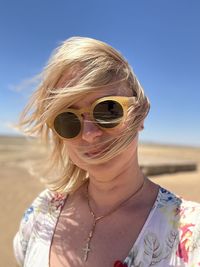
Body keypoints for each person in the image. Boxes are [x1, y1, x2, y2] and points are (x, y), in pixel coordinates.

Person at [13, 37, 200, 267]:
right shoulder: (42, 211)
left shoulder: (190, 235)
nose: (89, 133)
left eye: (108, 109)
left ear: (140, 115)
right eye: (68, 120)